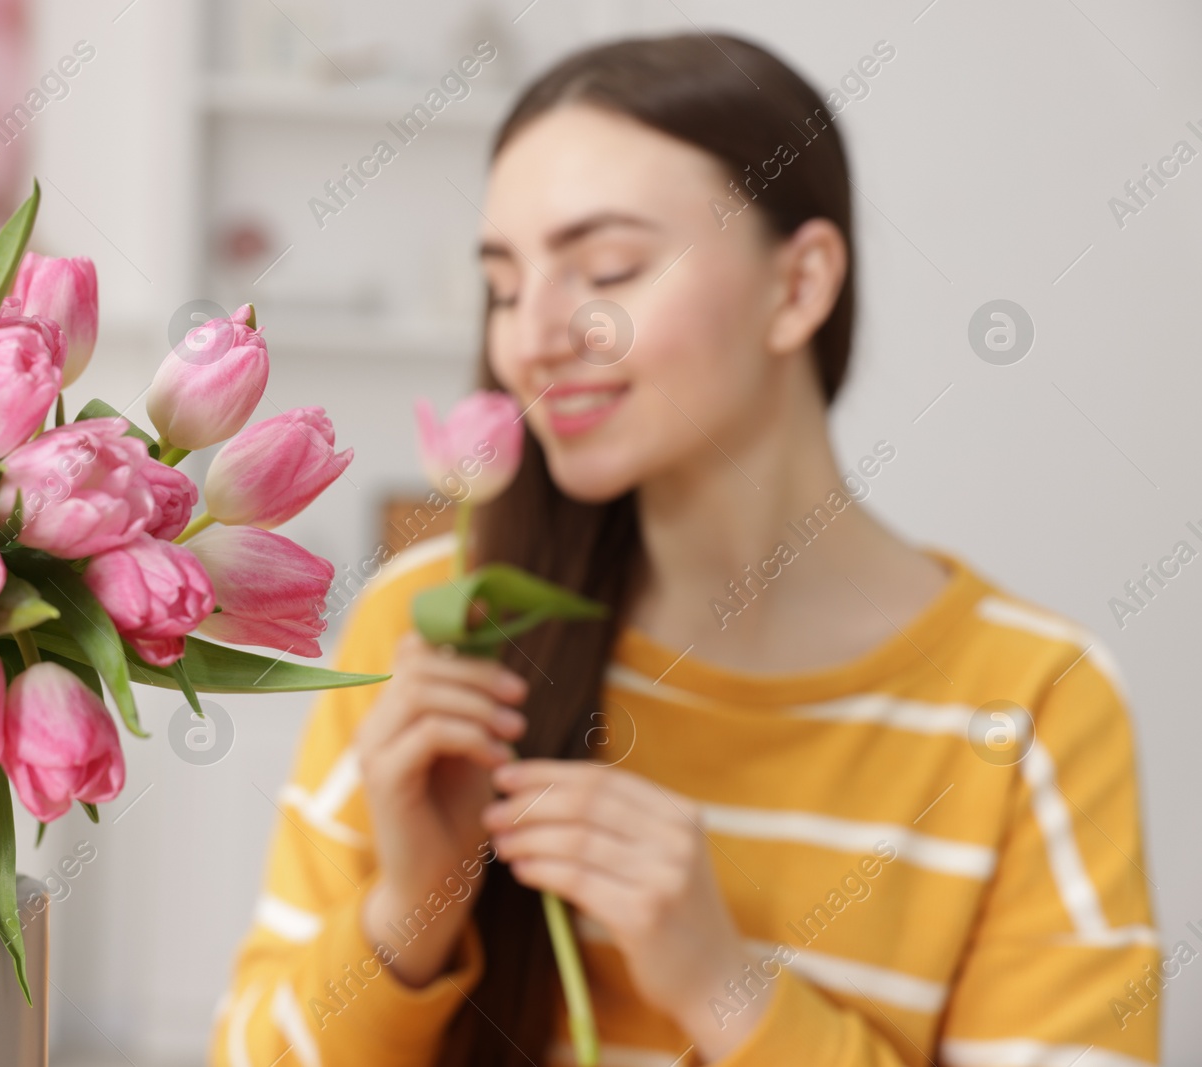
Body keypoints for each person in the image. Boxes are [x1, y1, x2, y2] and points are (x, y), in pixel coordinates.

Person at [211, 33, 1159, 1067]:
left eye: (607, 267)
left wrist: (726, 987)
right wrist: (409, 913)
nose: (528, 336)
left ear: (797, 287)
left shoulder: (1029, 700)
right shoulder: (436, 630)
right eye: (503, 283)